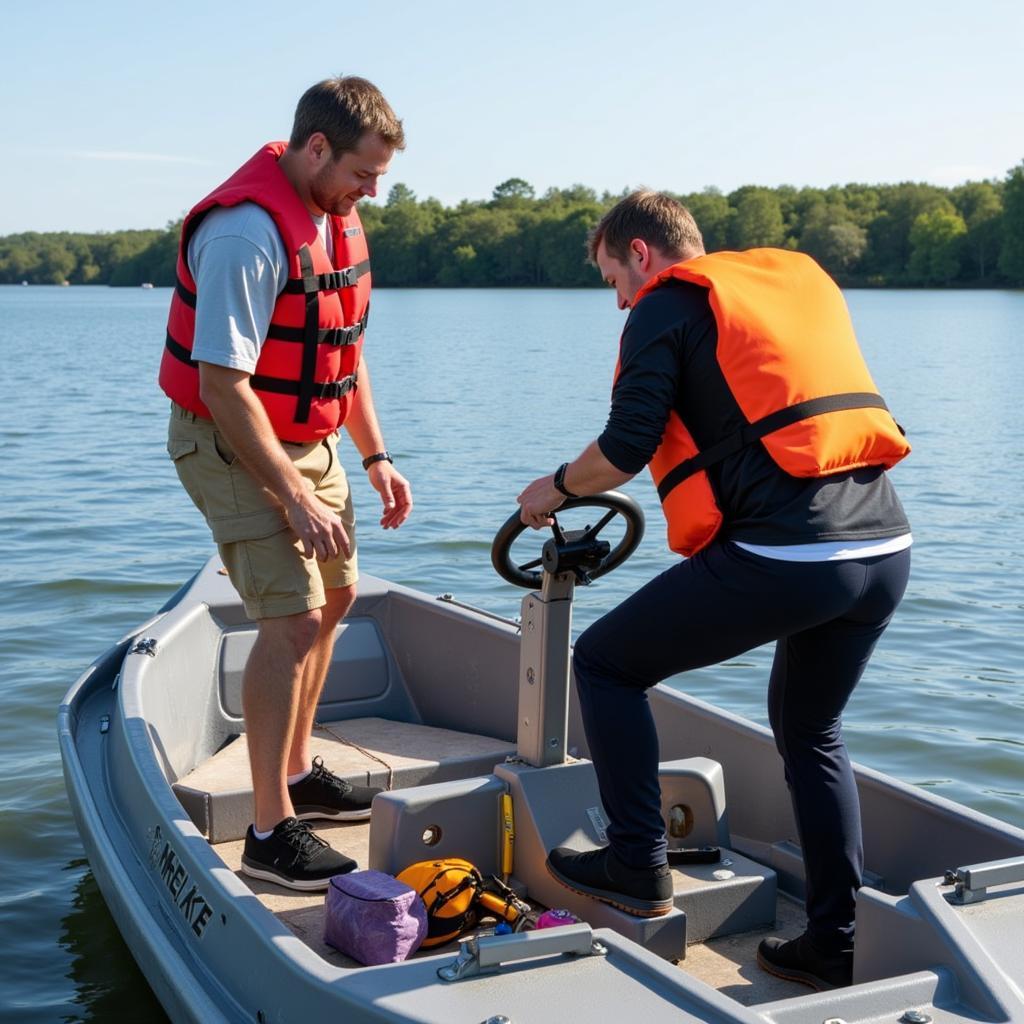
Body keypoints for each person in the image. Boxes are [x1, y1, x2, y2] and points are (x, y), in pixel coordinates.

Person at [516, 190, 912, 990]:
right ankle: (835, 937)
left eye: (611, 280)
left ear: (641, 255)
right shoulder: (767, 291)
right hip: (886, 548)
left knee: (605, 664)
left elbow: (626, 448)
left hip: (791, 558)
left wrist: (552, 489)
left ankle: (635, 862)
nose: (618, 301)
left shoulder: (665, 308)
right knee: (812, 730)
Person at [159, 76, 412, 891]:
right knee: (296, 620)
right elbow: (225, 385)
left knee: (337, 599)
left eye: (378, 176)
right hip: (230, 441)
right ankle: (270, 830)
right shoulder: (246, 234)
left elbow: (344, 348)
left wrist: (376, 457)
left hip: (315, 438)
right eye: (362, 173)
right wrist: (294, 497)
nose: (371, 190)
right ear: (314, 149)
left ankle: (298, 768)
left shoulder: (333, 213)